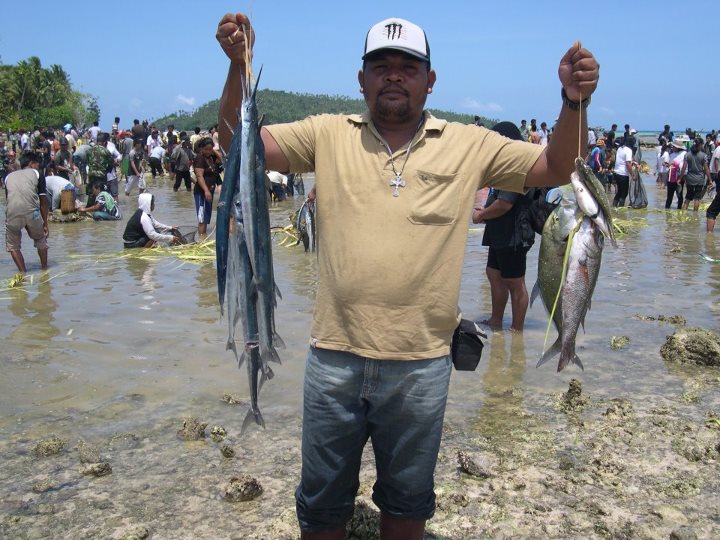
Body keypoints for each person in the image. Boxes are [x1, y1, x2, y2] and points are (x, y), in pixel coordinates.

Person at [216, 13, 599, 539]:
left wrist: (573, 101)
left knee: (407, 504)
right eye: (381, 66)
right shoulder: (327, 133)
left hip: (422, 368)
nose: (393, 76)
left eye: (407, 67)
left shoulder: (470, 143)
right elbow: (238, 143)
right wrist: (239, 68)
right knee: (322, 507)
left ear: (429, 80)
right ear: (362, 79)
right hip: (334, 361)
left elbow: (558, 167)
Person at [472, 121, 535, 332]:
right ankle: (496, 320)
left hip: (513, 233)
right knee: (493, 273)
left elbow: (505, 204)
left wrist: (481, 215)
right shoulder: (504, 165)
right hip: (498, 231)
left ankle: (517, 330)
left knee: (515, 282)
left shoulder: (516, 166)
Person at [4, 151, 49, 272]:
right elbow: (43, 200)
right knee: (41, 239)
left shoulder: (8, 176)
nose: (38, 167)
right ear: (31, 163)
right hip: (32, 212)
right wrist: (45, 224)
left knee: (13, 246)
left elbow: (9, 200)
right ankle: (45, 270)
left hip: (12, 213)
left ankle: (23, 273)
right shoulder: (37, 173)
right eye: (37, 164)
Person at [193, 137, 222, 236]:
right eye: (206, 149)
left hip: (210, 191)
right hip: (202, 193)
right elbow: (199, 176)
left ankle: (203, 235)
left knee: (206, 217)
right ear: (201, 148)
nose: (208, 152)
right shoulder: (200, 158)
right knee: (202, 218)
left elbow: (222, 160)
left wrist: (212, 151)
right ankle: (201, 238)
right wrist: (206, 190)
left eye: (210, 150)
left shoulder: (210, 157)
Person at [679, 137, 711, 211]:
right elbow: (706, 169)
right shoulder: (703, 155)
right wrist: (710, 179)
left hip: (689, 178)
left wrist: (680, 178)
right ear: (701, 145)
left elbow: (684, 168)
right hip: (699, 179)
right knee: (697, 199)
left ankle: (683, 214)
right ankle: (695, 215)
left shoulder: (687, 154)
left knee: (688, 198)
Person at [86, 133, 114, 206]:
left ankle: (89, 208)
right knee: (102, 192)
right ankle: (101, 207)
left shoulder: (90, 150)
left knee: (92, 192)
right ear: (105, 142)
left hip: (91, 174)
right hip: (101, 175)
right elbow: (111, 163)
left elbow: (88, 162)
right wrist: (107, 171)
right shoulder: (106, 151)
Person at [612, 137, 634, 207]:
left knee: (619, 192)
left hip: (616, 173)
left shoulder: (619, 148)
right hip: (623, 175)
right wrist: (632, 174)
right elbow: (628, 164)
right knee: (624, 194)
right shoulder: (628, 150)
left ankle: (614, 207)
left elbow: (622, 160)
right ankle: (620, 209)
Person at [665, 139, 687, 209]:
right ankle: (667, 210)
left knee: (679, 195)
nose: (672, 148)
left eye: (674, 147)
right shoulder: (671, 154)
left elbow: (683, 166)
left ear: (678, 147)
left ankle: (679, 209)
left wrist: (674, 163)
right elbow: (669, 164)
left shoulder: (684, 154)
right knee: (669, 196)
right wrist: (667, 164)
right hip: (671, 177)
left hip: (679, 178)